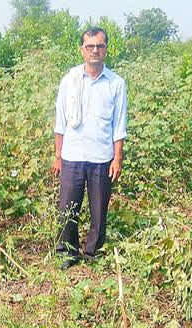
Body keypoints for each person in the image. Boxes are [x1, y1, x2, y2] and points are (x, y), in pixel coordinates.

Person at [52, 26, 127, 270]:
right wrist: (58, 156)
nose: (95, 50)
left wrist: (117, 158)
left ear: (106, 49)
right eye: (90, 46)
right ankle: (67, 253)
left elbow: (119, 125)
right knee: (67, 209)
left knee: (99, 210)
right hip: (72, 156)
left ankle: (94, 253)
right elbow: (60, 122)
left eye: (100, 46)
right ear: (82, 50)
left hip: (101, 158)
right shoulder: (70, 80)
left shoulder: (116, 83)